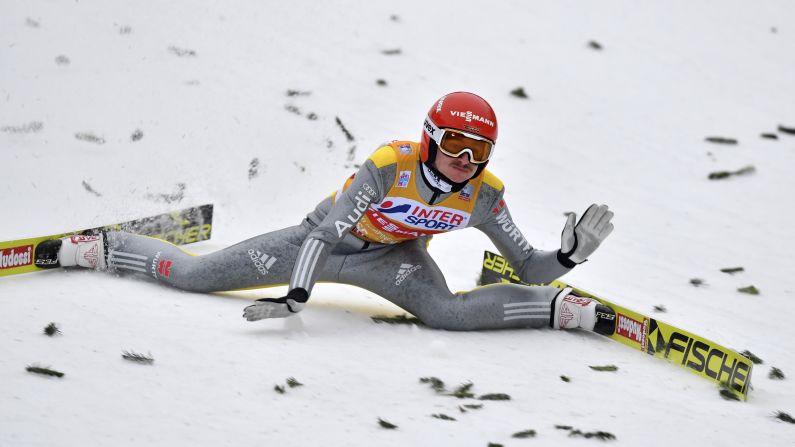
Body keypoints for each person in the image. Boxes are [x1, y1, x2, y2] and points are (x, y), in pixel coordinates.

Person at [35, 92, 615, 333]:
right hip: (319, 246)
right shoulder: (390, 164)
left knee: (443, 313)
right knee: (192, 278)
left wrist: (567, 258)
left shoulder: (485, 194)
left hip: (394, 263)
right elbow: (326, 234)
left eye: (479, 151)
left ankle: (557, 314)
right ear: (430, 138)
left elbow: (527, 265)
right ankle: (108, 246)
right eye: (456, 145)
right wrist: (297, 296)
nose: (466, 161)